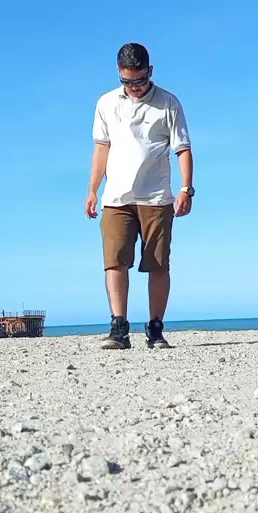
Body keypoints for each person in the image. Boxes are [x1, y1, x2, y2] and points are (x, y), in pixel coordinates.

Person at [85, 43, 194, 350]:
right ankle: (119, 328)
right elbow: (101, 149)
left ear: (150, 71)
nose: (134, 87)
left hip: (156, 197)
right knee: (115, 261)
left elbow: (183, 148)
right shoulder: (106, 103)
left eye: (140, 80)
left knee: (158, 264)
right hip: (116, 197)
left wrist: (186, 189)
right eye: (127, 81)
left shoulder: (168, 103)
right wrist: (92, 189)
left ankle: (155, 329)